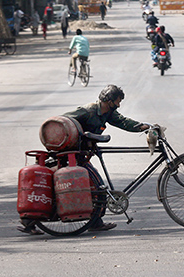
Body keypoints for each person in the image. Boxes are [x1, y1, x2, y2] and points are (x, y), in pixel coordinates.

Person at [18, 85, 151, 235]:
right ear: (108, 100)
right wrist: (81, 136)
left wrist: (142, 127)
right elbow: (63, 121)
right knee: (96, 186)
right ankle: (30, 221)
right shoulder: (88, 110)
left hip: (82, 154)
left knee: (97, 187)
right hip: (71, 153)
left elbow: (123, 122)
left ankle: (96, 222)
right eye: (117, 101)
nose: (118, 105)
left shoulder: (108, 113)